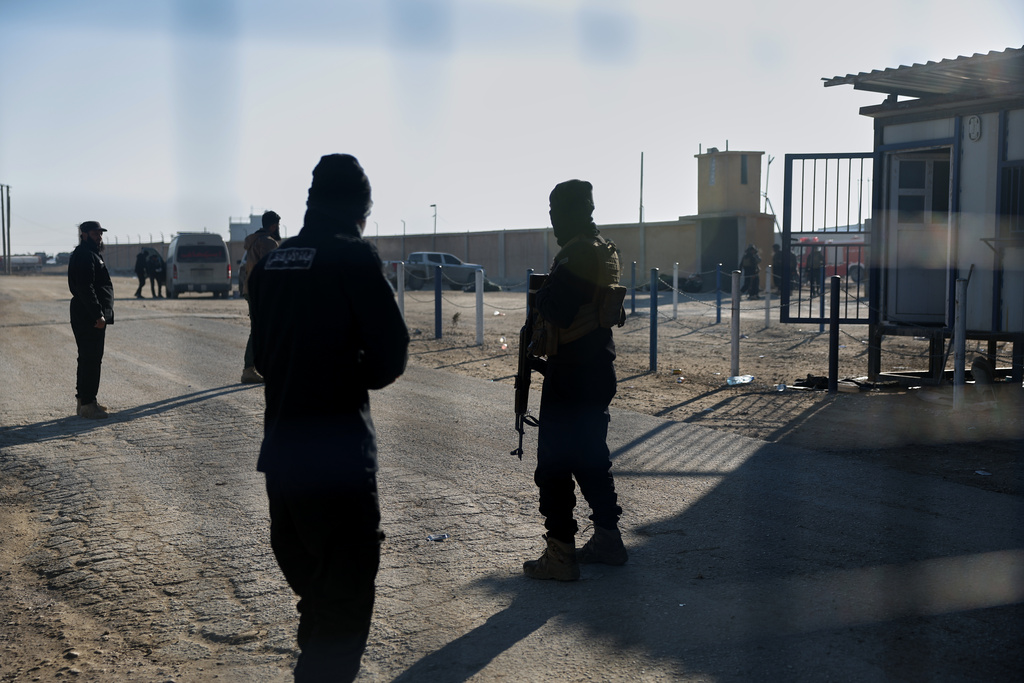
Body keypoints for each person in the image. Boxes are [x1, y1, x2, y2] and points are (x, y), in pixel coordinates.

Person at [248, 154, 408, 681]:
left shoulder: (271, 263)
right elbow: (390, 356)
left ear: (312, 201)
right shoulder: (354, 259)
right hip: (338, 464)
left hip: (283, 463)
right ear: (361, 207)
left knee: (317, 600)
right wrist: (340, 369)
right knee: (341, 615)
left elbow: (266, 356)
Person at [523, 179, 627, 582]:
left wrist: (542, 294)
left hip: (572, 374)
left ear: (569, 213)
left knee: (553, 464)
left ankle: (561, 554)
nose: (552, 224)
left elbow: (560, 311)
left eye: (554, 214)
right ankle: (607, 539)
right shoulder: (604, 249)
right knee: (590, 460)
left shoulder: (578, 255)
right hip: (596, 367)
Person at [68, 221, 114, 420]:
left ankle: (84, 401)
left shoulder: (90, 254)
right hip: (89, 314)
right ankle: (88, 404)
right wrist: (98, 314)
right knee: (91, 359)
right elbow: (85, 288)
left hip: (87, 312)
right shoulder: (85, 255)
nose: (99, 237)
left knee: (87, 357)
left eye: (100, 233)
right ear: (84, 234)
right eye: (95, 233)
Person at [240, 210, 281, 384]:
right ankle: (251, 369)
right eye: (277, 225)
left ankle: (253, 368)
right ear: (273, 226)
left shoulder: (253, 242)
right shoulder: (268, 243)